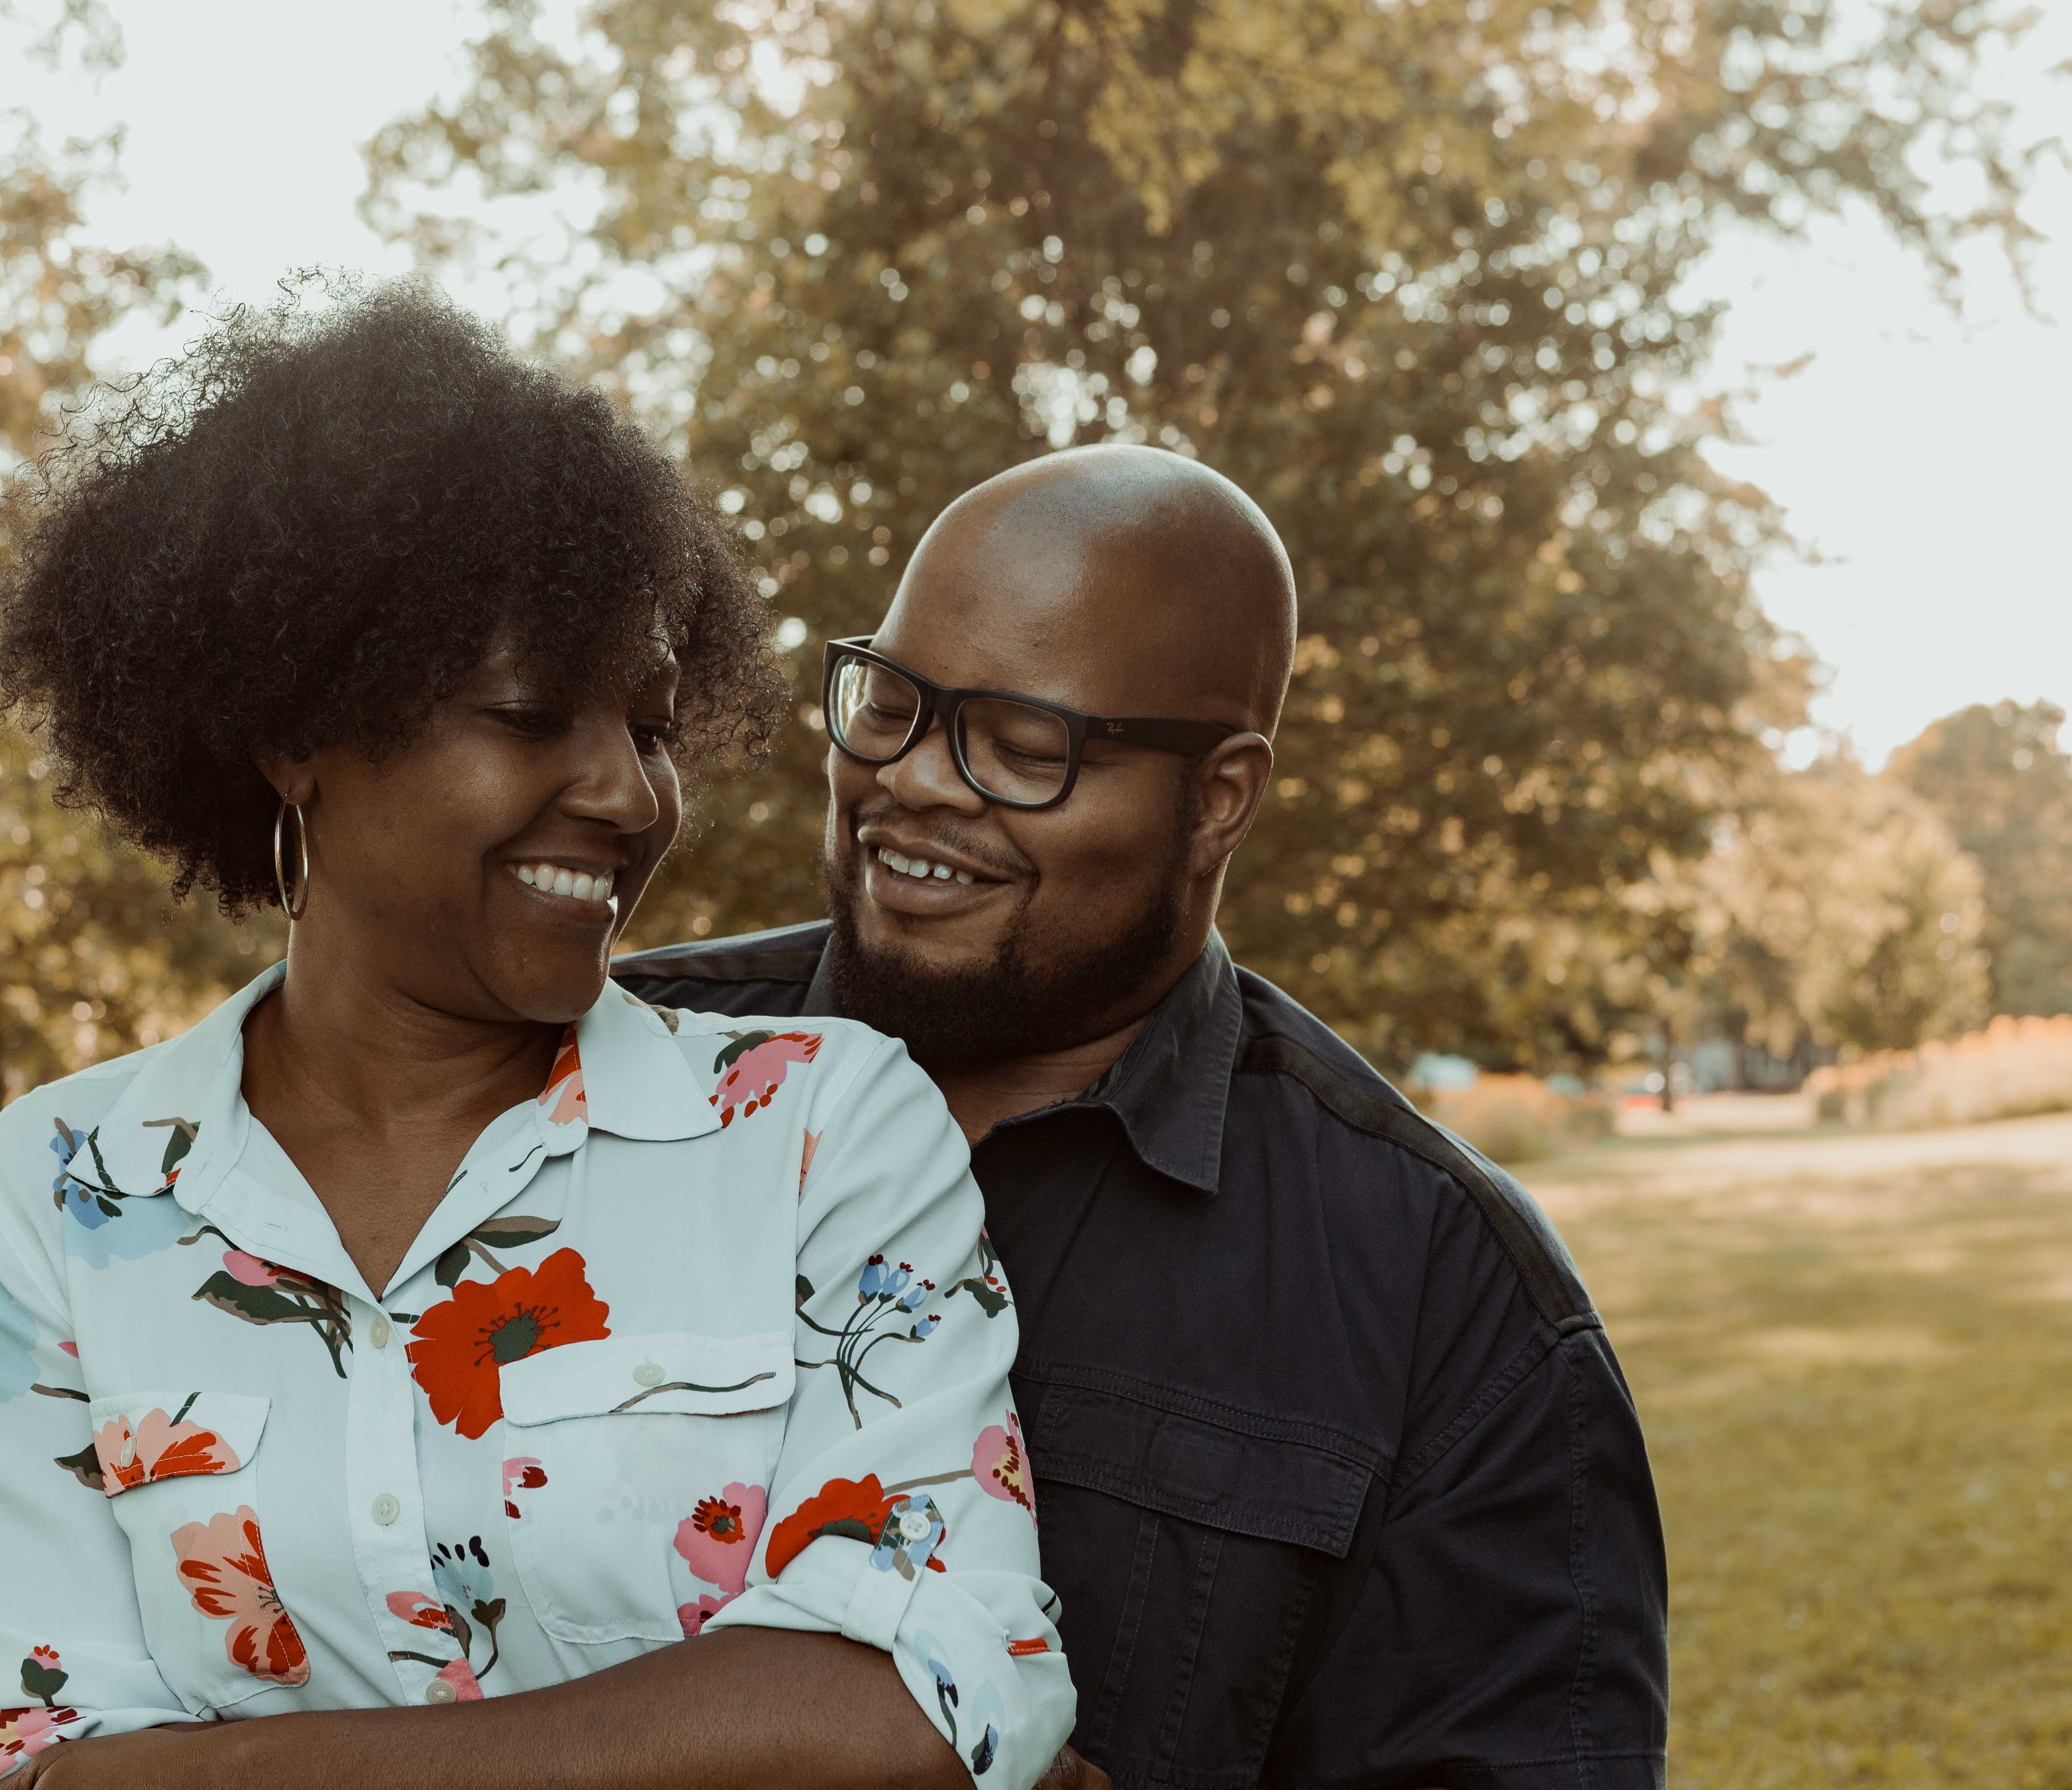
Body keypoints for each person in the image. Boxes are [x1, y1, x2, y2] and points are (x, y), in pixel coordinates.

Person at [0, 279, 1076, 1790]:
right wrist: (732, 1730)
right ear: (294, 731)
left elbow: (933, 1696)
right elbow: (20, 1760)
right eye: (532, 715)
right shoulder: (58, 1197)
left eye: (652, 727)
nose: (628, 795)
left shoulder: (819, 1129)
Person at [618, 445, 1670, 1788]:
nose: (917, 782)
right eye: (890, 701)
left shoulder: (1445, 1298)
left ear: (1220, 798)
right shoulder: (591, 1074)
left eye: (1024, 744)